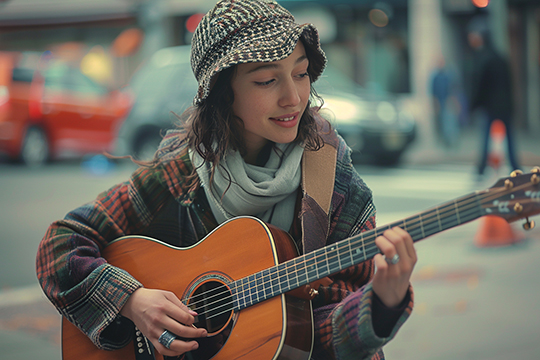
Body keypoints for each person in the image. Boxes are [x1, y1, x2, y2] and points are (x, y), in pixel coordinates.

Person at [36, 1, 416, 359]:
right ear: (221, 94)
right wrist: (131, 301)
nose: (293, 98)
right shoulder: (179, 174)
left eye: (301, 74)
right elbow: (60, 245)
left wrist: (380, 306)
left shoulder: (334, 184)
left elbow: (319, 330)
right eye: (267, 80)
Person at [467, 16, 520, 176]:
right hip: (504, 105)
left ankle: (482, 168)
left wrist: (473, 105)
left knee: (485, 137)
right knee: (509, 138)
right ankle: (515, 166)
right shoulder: (499, 57)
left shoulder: (483, 58)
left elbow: (480, 86)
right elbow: (510, 84)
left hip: (491, 106)